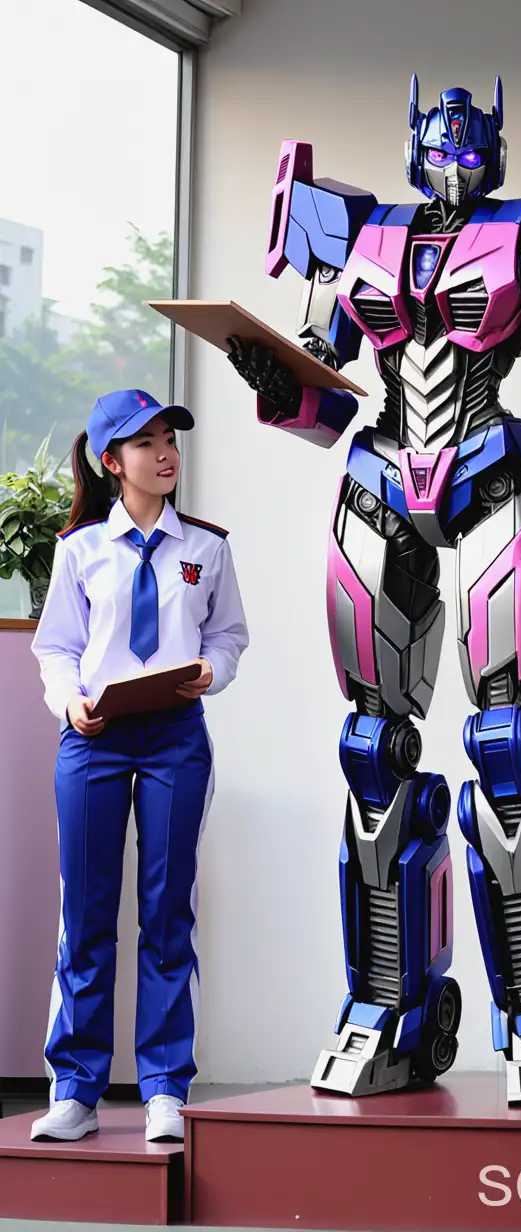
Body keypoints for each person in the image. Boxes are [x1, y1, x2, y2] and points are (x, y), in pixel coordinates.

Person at [30, 389, 249, 1143]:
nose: (164, 453)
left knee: (165, 914)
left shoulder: (207, 547)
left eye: (169, 440)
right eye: (145, 442)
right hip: (94, 737)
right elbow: (55, 647)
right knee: (87, 917)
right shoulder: (79, 550)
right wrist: (70, 703)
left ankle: (163, 1089)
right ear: (109, 461)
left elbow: (228, 636)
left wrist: (210, 676)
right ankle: (76, 1091)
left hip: (175, 737)